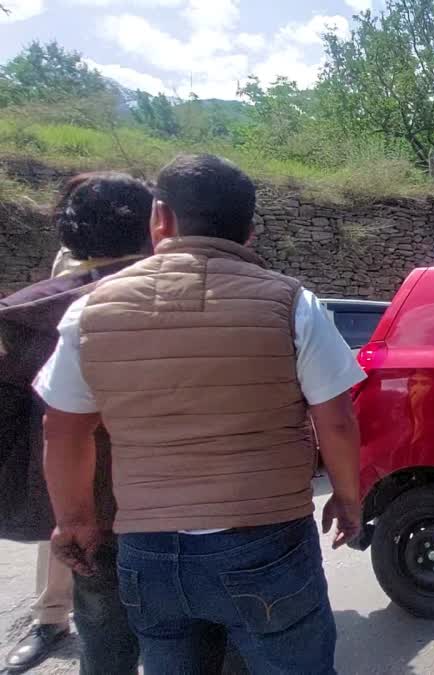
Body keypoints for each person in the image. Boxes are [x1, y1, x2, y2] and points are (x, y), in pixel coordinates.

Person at [34, 155, 364, 673]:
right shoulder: (293, 304)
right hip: (267, 542)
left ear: (159, 219)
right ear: (250, 231)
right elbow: (337, 420)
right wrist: (348, 498)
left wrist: (74, 522)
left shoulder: (92, 311)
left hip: (149, 552)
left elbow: (63, 427)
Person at [0, 173, 152, 674]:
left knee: (106, 640)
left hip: (88, 514)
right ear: (158, 225)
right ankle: (49, 618)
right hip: (182, 507)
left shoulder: (24, 318)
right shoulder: (202, 300)